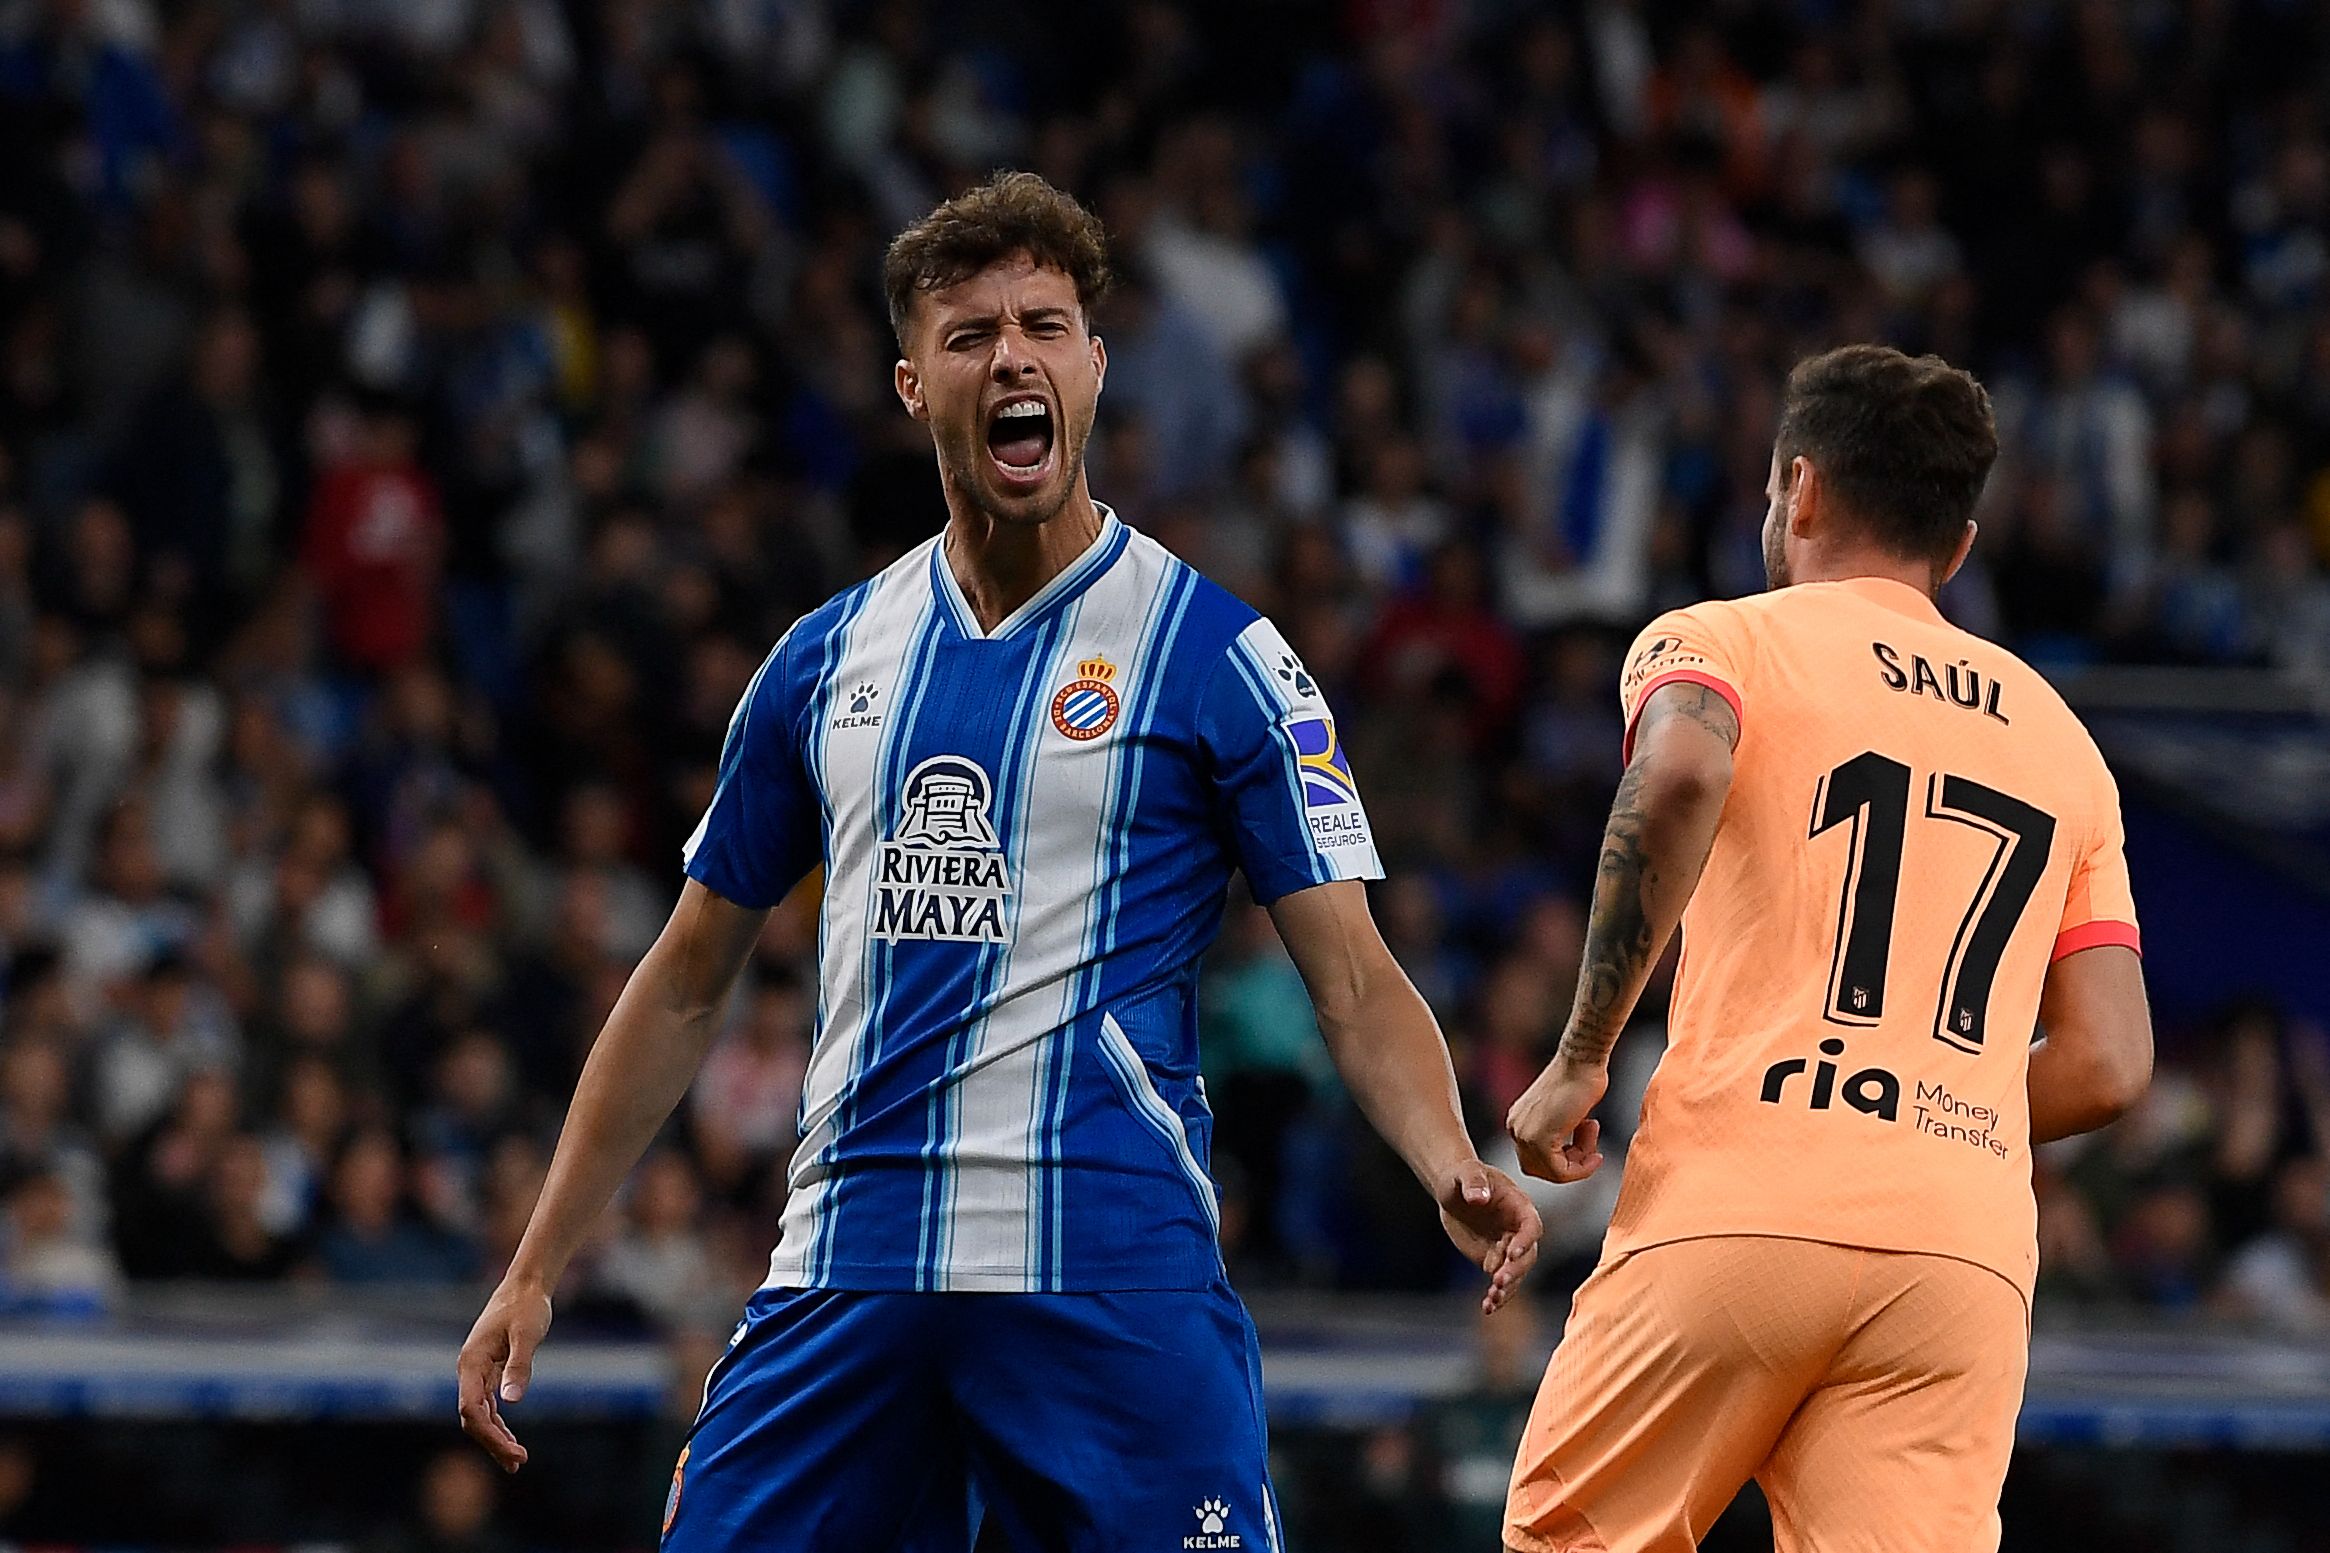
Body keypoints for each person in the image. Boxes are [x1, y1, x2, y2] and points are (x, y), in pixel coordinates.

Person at [456, 171, 1542, 1552]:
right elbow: (681, 982)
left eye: (1044, 323)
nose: (1012, 355)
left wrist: (1443, 1154)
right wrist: (538, 1261)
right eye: (969, 335)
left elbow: (1351, 978)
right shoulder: (820, 662)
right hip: (850, 1271)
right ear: (913, 384)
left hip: (1110, 1274)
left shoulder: (1218, 657)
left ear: (1095, 365)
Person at [1502, 345, 2155, 1553]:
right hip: (1956, 1258)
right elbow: (2110, 1060)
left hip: (1740, 1197)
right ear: (1954, 548)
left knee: (1574, 1538)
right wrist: (1934, 1104)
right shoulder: (2064, 742)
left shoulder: (1721, 638)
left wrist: (1584, 1052)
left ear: (1795, 490)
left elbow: (1683, 766)